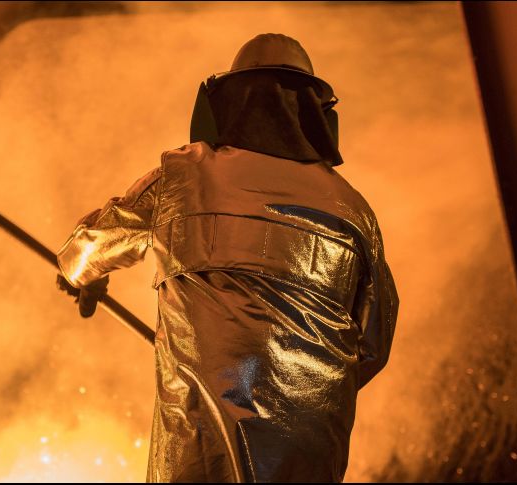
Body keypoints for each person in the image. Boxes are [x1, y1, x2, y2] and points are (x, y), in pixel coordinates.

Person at [56, 33, 398, 483]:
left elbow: (93, 243)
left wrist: (81, 275)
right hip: (309, 461)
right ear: (318, 113)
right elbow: (373, 345)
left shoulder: (185, 178)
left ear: (227, 100)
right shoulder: (353, 211)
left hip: (198, 457)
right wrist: (308, 393)